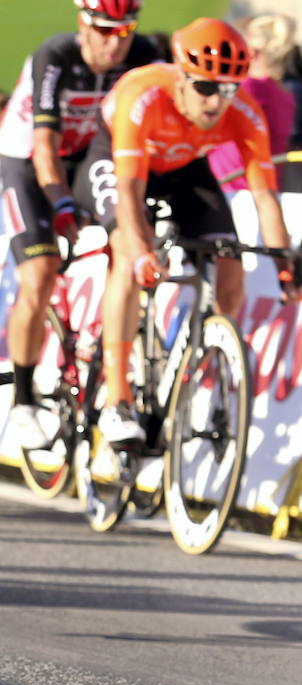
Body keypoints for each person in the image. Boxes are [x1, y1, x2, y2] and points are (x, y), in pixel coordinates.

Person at [72, 17, 298, 443]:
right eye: (206, 88)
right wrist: (141, 253)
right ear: (181, 78)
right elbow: (128, 191)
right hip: (120, 165)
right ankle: (117, 397)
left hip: (184, 170)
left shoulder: (243, 113)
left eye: (229, 89)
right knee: (126, 249)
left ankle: (213, 362)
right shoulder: (144, 95)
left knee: (231, 257)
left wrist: (286, 265)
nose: (216, 102)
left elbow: (266, 198)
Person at [0, 0, 159, 448]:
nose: (116, 42)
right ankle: (23, 399)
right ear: (82, 24)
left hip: (89, 159)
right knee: (40, 273)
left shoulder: (143, 55)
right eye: (105, 30)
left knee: (125, 242)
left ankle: (111, 376)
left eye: (125, 30)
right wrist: (62, 205)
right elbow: (44, 148)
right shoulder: (56, 56)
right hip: (29, 162)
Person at [207, 14, 297, 192]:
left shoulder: (250, 88)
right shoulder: (285, 95)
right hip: (262, 186)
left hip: (234, 186)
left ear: (252, 53)